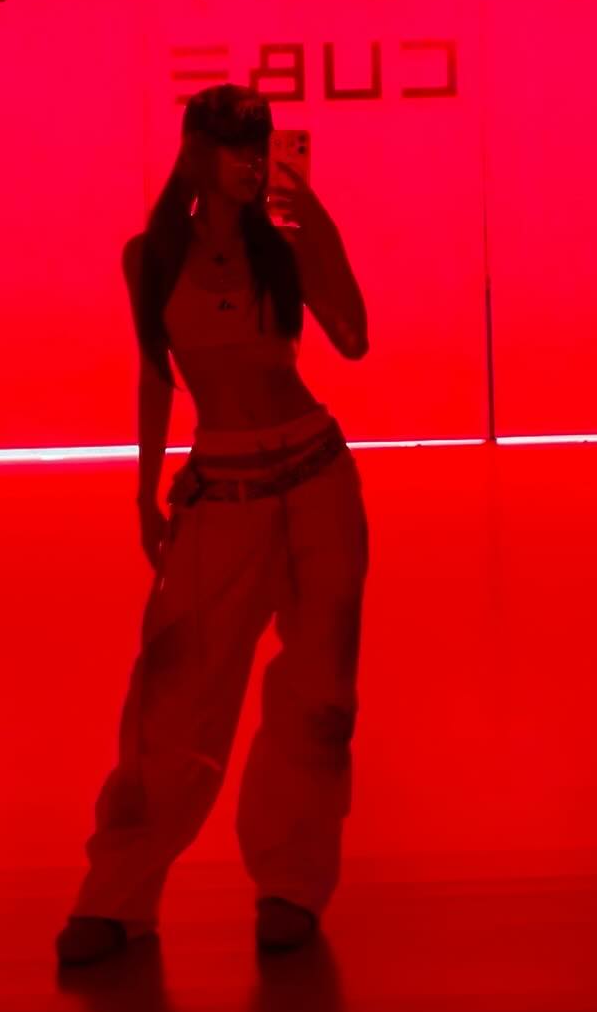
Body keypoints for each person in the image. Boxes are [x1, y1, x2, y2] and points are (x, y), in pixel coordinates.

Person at [56, 84, 372, 966]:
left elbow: (353, 337)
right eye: (233, 145)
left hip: (316, 477)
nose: (250, 161)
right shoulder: (150, 256)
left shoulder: (285, 248)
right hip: (223, 489)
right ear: (195, 152)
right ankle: (117, 895)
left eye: (258, 145)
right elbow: (155, 375)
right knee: (174, 697)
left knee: (319, 697)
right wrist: (144, 493)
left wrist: (320, 228)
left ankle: (292, 883)